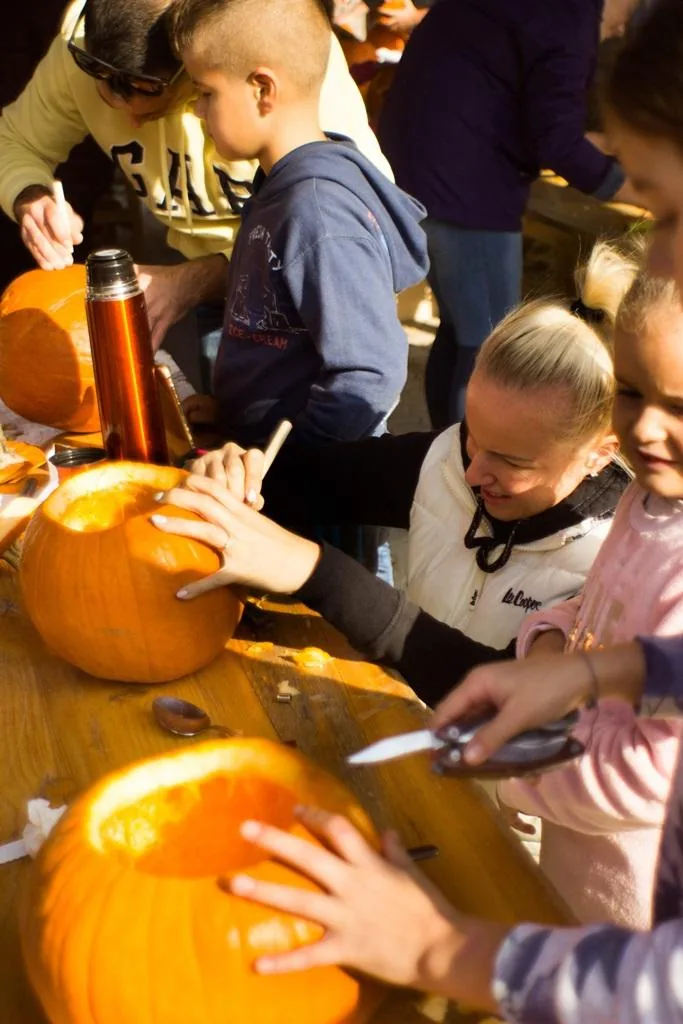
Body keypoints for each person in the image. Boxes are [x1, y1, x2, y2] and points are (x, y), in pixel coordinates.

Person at [151, 5, 683, 1019]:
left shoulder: (616, 508)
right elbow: (618, 634)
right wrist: (578, 659)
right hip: (543, 893)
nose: (652, 257)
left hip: (592, 925)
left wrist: (445, 950)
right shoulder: (631, 506)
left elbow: (629, 812)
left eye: (655, 207)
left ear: (591, 454)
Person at [151, 241, 633, 706]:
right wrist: (235, 464)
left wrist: (315, 573)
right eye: (473, 435)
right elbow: (311, 482)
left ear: (600, 454)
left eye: (512, 461)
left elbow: (508, 697)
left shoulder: (622, 566)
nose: (471, 472)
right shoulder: (444, 460)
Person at [0, 0, 392, 388]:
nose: (127, 117)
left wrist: (197, 279)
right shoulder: (82, 43)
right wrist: (29, 196)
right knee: (234, 422)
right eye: (102, 86)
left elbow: (361, 226)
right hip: (213, 290)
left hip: (308, 292)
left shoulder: (274, 46)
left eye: (146, 91)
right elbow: (13, 139)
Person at [497, 268, 683, 930]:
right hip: (581, 877)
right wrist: (549, 642)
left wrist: (519, 767)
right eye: (629, 393)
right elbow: (596, 611)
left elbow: (650, 773)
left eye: (679, 407)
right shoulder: (649, 497)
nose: (647, 430)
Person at [376, 0, 641, 429]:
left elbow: (540, 116)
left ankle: (448, 446)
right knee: (489, 343)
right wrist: (649, 194)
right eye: (624, 19)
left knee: (462, 330)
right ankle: (468, 463)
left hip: (424, 160)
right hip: (464, 181)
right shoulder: (572, 16)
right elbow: (559, 144)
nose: (619, 31)